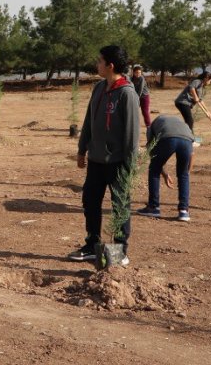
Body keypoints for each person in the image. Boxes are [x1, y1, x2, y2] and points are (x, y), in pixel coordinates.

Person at [68, 45, 141, 264]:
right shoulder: (99, 88)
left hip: (118, 162)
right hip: (96, 161)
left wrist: (129, 166)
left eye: (100, 61)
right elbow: (89, 121)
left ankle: (120, 250)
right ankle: (92, 244)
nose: (96, 64)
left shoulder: (127, 93)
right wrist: (82, 150)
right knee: (90, 201)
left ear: (110, 66)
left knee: (120, 206)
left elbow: (131, 134)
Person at [136, 114, 195, 222]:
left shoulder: (153, 126)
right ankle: (184, 211)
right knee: (183, 174)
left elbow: (151, 152)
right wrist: (187, 173)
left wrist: (162, 173)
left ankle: (153, 207)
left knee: (154, 170)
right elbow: (192, 154)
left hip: (168, 139)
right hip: (187, 141)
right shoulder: (182, 124)